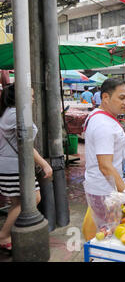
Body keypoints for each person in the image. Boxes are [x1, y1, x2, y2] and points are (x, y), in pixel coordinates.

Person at [0, 84, 53, 251]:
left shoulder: (10, 113)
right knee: (32, 199)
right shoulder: (15, 114)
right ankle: (3, 235)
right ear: (19, 98)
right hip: (15, 167)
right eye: (29, 96)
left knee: (17, 202)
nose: (32, 99)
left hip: (10, 166)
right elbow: (27, 145)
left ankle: (8, 235)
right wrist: (43, 163)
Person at [83, 79, 125, 233]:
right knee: (107, 237)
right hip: (105, 193)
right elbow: (105, 166)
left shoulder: (104, 117)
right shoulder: (103, 124)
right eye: (122, 98)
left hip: (108, 190)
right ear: (105, 97)